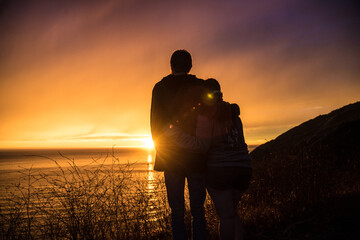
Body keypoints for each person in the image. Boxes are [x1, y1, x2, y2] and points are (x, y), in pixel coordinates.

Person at [164, 78, 252, 240]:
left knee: (226, 216)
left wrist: (174, 134)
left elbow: (201, 146)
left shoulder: (206, 116)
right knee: (232, 212)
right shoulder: (234, 114)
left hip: (222, 170)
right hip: (244, 168)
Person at [150, 50, 207, 240]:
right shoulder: (201, 86)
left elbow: (155, 125)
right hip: (197, 157)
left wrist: (163, 151)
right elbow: (209, 119)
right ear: (190, 66)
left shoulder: (159, 88)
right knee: (198, 210)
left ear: (171, 66)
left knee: (177, 211)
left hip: (171, 158)